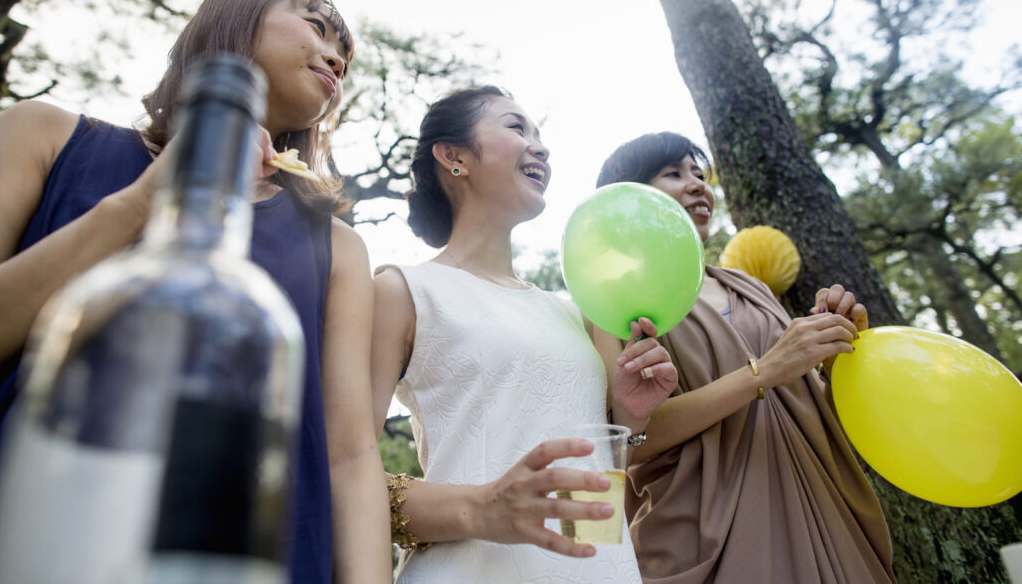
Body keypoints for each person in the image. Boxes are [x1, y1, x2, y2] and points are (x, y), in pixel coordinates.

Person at [0, 0, 390, 583]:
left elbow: (351, 455)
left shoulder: (338, 248)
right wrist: (138, 204)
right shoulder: (44, 137)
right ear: (233, 18)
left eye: (344, 52)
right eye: (316, 25)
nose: (337, 57)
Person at [370, 86, 679, 583]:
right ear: (454, 157)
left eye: (540, 135)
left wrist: (631, 414)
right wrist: (481, 506)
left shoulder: (576, 314)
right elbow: (341, 473)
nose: (541, 147)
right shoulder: (402, 290)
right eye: (517, 128)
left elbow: (602, 465)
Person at [594, 131, 897, 583]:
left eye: (699, 173)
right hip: (704, 531)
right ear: (629, 195)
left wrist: (836, 361)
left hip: (822, 506)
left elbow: (810, 411)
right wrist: (764, 371)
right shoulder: (611, 299)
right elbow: (626, 443)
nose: (699, 185)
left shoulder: (749, 286)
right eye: (673, 174)